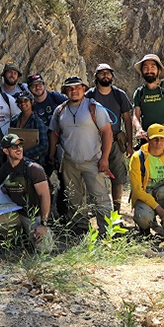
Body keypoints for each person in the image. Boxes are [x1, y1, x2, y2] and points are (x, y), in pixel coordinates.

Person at [48, 76, 114, 235]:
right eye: (70, 88)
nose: (74, 91)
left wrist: (105, 158)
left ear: (84, 89)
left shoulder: (94, 108)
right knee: (74, 198)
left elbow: (107, 132)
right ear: (65, 91)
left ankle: (107, 232)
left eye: (77, 87)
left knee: (100, 197)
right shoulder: (60, 110)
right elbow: (54, 134)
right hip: (69, 161)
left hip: (93, 161)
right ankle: (79, 230)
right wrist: (52, 156)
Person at [85, 63, 134, 213]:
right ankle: (96, 209)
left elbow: (127, 119)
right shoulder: (90, 95)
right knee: (93, 175)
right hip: (95, 141)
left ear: (112, 76)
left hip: (116, 142)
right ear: (96, 77)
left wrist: (130, 143)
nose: (105, 76)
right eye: (102, 73)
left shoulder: (119, 95)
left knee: (118, 177)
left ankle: (116, 210)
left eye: (108, 73)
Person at [0, 134, 52, 251]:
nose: (19, 149)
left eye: (20, 145)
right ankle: (15, 236)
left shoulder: (34, 169)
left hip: (33, 216)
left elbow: (45, 196)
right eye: (14, 146)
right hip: (15, 213)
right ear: (5, 150)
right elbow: (3, 192)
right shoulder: (3, 170)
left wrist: (43, 224)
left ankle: (36, 233)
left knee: (45, 250)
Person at [131, 54, 164, 147]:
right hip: (146, 140)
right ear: (142, 71)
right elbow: (136, 115)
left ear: (159, 70)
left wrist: (160, 129)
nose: (149, 70)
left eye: (152, 67)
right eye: (145, 68)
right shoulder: (139, 93)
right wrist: (139, 129)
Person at [9, 91, 49, 167]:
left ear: (32, 102)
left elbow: (44, 145)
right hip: (16, 161)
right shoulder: (14, 120)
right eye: (20, 102)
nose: (23, 103)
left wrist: (25, 154)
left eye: (25, 100)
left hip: (33, 163)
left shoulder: (37, 122)